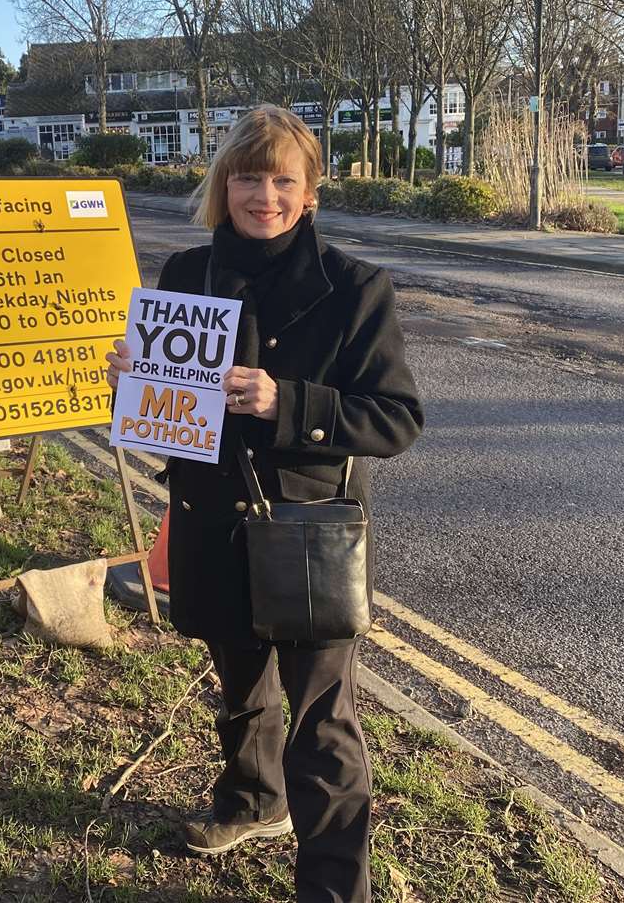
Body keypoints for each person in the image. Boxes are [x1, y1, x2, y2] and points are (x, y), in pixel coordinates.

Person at [106, 106, 423, 903]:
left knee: (323, 730)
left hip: (308, 535)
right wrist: (136, 389)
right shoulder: (184, 276)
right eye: (249, 177)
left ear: (311, 191)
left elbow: (395, 419)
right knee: (241, 687)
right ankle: (254, 802)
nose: (265, 195)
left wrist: (289, 403)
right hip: (212, 524)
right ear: (223, 185)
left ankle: (334, 891)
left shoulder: (356, 289)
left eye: (285, 179)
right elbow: (172, 425)